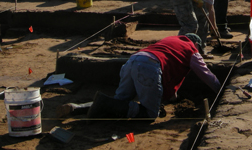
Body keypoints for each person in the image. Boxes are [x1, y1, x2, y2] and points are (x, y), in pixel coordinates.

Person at [58, 34, 221, 121]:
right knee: (151, 113)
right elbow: (206, 75)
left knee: (119, 101)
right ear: (197, 44)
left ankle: (76, 108)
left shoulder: (171, 40)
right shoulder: (192, 49)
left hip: (133, 61)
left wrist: (171, 96)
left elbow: (170, 73)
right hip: (148, 66)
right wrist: (220, 90)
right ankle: (103, 103)